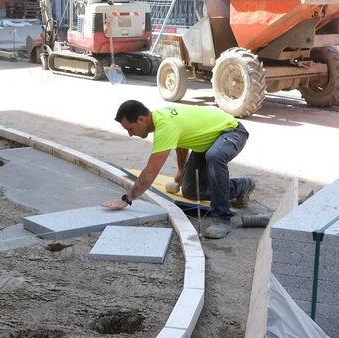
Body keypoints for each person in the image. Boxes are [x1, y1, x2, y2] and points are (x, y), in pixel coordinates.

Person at [106, 100, 257, 239]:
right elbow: (181, 141)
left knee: (214, 156)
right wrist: (181, 169)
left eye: (130, 129)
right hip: (207, 140)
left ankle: (223, 218)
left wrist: (127, 199)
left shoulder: (165, 125)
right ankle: (241, 186)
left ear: (141, 119)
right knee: (191, 191)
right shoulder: (160, 118)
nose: (130, 134)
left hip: (231, 132)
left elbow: (151, 171)